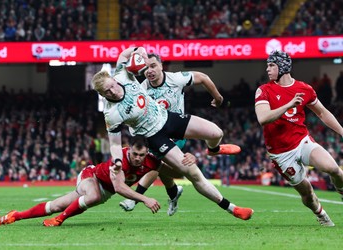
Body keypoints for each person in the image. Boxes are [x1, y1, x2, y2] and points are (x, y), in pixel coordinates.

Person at [91, 46, 254, 221]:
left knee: (216, 132)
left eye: (113, 86)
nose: (113, 91)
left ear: (114, 79)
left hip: (167, 117)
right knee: (193, 173)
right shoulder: (111, 113)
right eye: (107, 92)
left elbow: (124, 53)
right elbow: (115, 144)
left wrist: (140, 50)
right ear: (101, 94)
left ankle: (213, 150)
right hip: (154, 136)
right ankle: (232, 208)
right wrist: (116, 161)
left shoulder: (122, 74)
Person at [0, 136, 194, 227]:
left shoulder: (151, 161)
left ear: (145, 153)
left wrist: (188, 160)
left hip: (104, 191)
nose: (138, 158)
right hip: (92, 176)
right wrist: (144, 199)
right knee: (93, 195)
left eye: (141, 155)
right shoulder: (121, 159)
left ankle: (15, 216)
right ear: (129, 149)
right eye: (134, 153)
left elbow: (176, 171)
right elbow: (120, 187)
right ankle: (60, 220)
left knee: (55, 205)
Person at [120, 52, 227, 216]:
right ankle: (173, 193)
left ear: (161, 65)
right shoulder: (142, 90)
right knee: (163, 170)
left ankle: (134, 198)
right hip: (156, 133)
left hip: (176, 131)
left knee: (155, 161)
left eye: (153, 65)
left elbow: (203, 77)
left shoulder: (176, 79)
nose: (149, 71)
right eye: (145, 68)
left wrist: (217, 97)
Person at [254, 50, 343, 227]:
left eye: (271, 65)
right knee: (307, 193)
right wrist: (289, 104)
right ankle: (320, 214)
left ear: (283, 66)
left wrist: (342, 131)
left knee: (333, 168)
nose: (268, 69)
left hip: (302, 141)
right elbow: (263, 119)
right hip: (280, 153)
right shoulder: (264, 90)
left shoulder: (304, 89)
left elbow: (323, 113)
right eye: (268, 65)